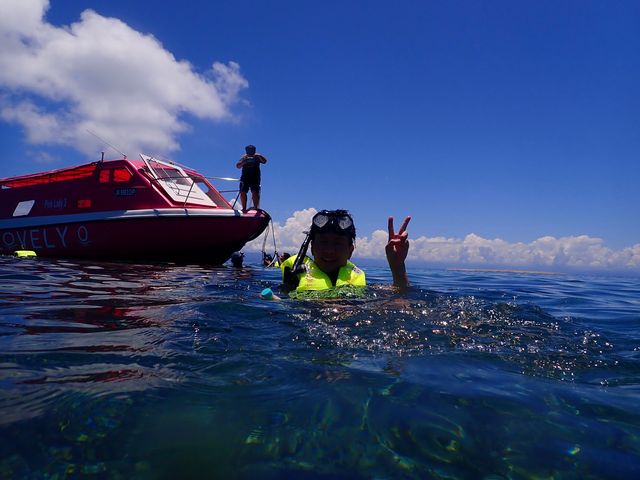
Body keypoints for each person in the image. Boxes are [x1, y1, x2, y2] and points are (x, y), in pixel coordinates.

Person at [280, 209, 410, 295]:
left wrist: (397, 267)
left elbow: (399, 294)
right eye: (324, 242)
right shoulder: (293, 278)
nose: (329, 251)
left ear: (350, 251)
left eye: (338, 243)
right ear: (312, 247)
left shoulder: (358, 284)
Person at [236, 144, 267, 211]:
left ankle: (256, 208)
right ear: (246, 151)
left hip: (255, 177)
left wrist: (259, 156)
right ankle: (244, 208)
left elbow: (265, 161)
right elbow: (238, 166)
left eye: (252, 151)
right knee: (243, 192)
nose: (250, 152)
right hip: (245, 177)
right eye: (249, 151)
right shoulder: (244, 157)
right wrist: (244, 161)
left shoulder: (257, 156)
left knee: (255, 191)